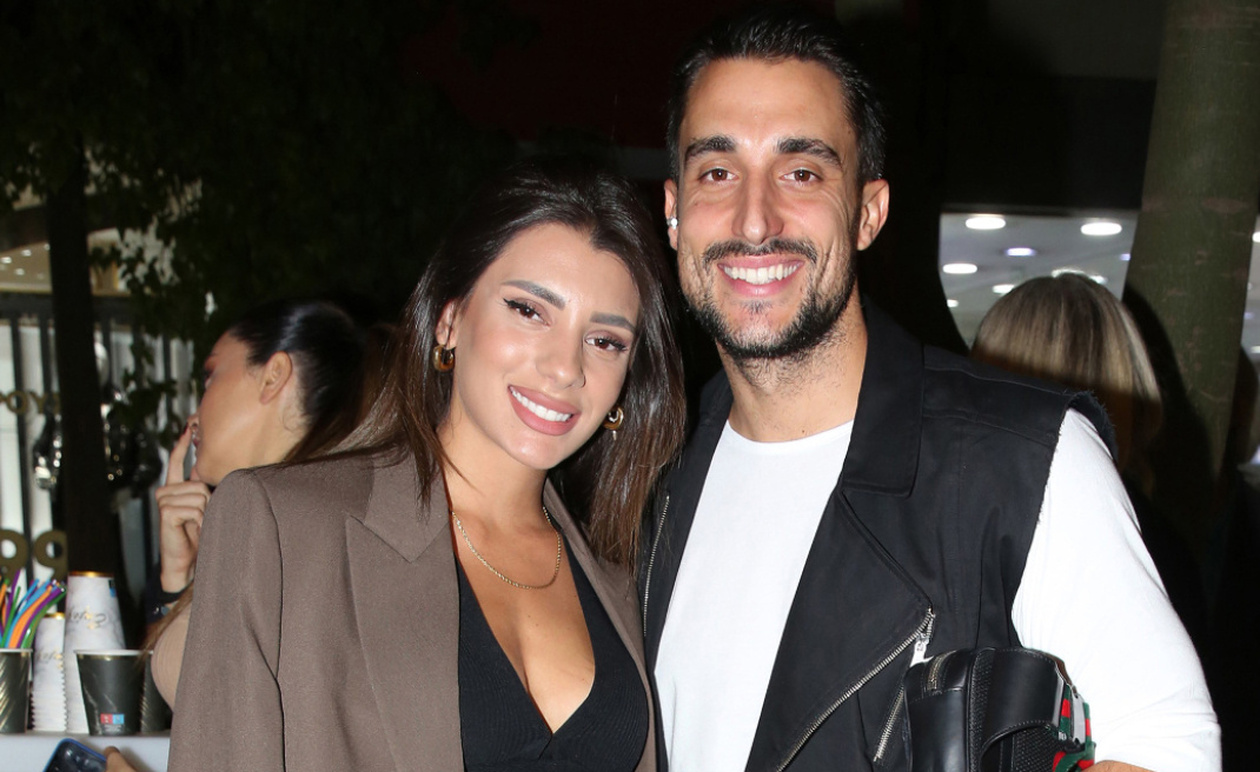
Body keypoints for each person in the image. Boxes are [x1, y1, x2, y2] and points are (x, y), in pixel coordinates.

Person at [640, 7, 1218, 772]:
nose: (754, 220)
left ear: (868, 213)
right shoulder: (654, 469)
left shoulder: (1023, 460)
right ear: (675, 212)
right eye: (718, 172)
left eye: (802, 172)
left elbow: (1168, 746)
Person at [166, 159, 686, 771]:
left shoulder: (619, 575)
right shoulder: (285, 526)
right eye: (529, 310)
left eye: (605, 341)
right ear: (449, 319)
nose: (565, 367)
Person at [142, 299, 371, 706]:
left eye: (211, 377)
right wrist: (182, 577)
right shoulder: (272, 525)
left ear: (274, 376)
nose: (194, 417)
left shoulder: (306, 536)